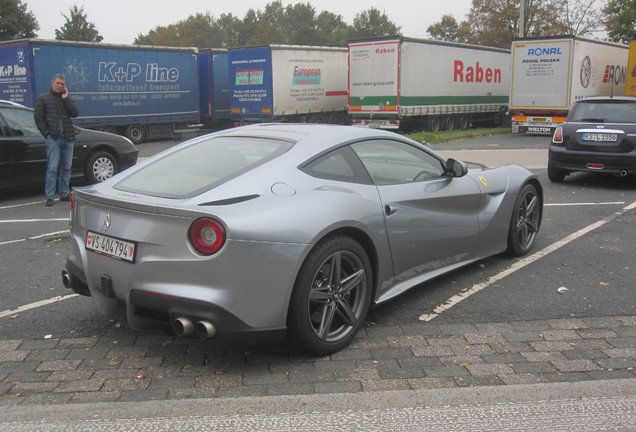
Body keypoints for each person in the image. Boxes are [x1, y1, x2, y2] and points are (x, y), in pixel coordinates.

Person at [34, 74, 80, 206]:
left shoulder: (66, 100)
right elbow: (38, 117)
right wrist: (46, 134)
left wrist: (66, 99)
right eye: (58, 83)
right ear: (52, 83)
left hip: (68, 137)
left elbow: (75, 113)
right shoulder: (44, 99)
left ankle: (64, 193)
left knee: (67, 168)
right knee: (52, 168)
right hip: (53, 138)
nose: (60, 86)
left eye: (62, 84)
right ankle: (50, 196)